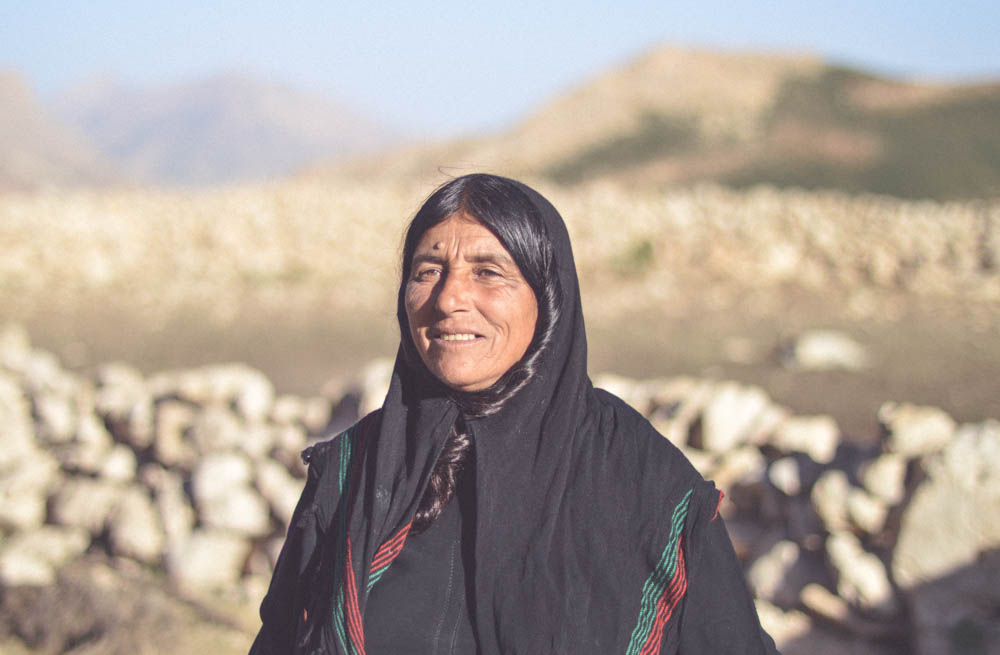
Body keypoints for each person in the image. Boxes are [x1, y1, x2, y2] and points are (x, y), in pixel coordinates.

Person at [250, 174, 778, 654]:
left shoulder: (644, 484)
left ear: (547, 300)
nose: (450, 297)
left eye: (488, 272)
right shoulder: (353, 471)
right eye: (427, 270)